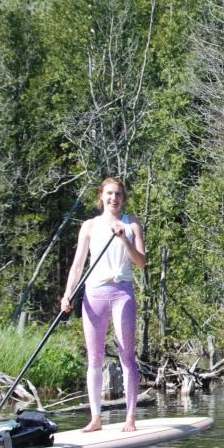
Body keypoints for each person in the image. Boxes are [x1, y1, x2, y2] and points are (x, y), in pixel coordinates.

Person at [61, 178, 147, 432]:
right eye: (109, 193)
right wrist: (67, 295)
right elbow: (78, 265)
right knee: (95, 358)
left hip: (122, 293)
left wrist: (124, 239)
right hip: (94, 293)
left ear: (124, 198)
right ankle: (96, 418)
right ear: (101, 196)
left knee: (126, 356)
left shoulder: (132, 224)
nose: (114, 198)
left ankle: (130, 417)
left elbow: (141, 262)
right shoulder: (90, 226)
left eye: (118, 194)